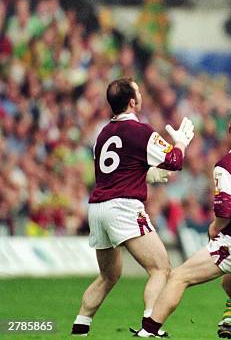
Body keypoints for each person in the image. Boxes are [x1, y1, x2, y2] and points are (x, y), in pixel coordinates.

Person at [135, 111, 231, 340]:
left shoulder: (226, 165)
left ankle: (148, 330)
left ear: (229, 131)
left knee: (179, 276)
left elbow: (225, 211)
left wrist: (214, 228)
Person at [71, 78, 195, 336]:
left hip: (97, 207)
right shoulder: (141, 131)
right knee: (161, 268)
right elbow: (174, 161)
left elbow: (118, 170)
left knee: (108, 276)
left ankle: (80, 325)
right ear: (132, 101)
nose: (141, 94)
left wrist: (148, 173)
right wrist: (181, 141)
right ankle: (150, 326)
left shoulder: (102, 134)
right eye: (138, 91)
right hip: (124, 206)